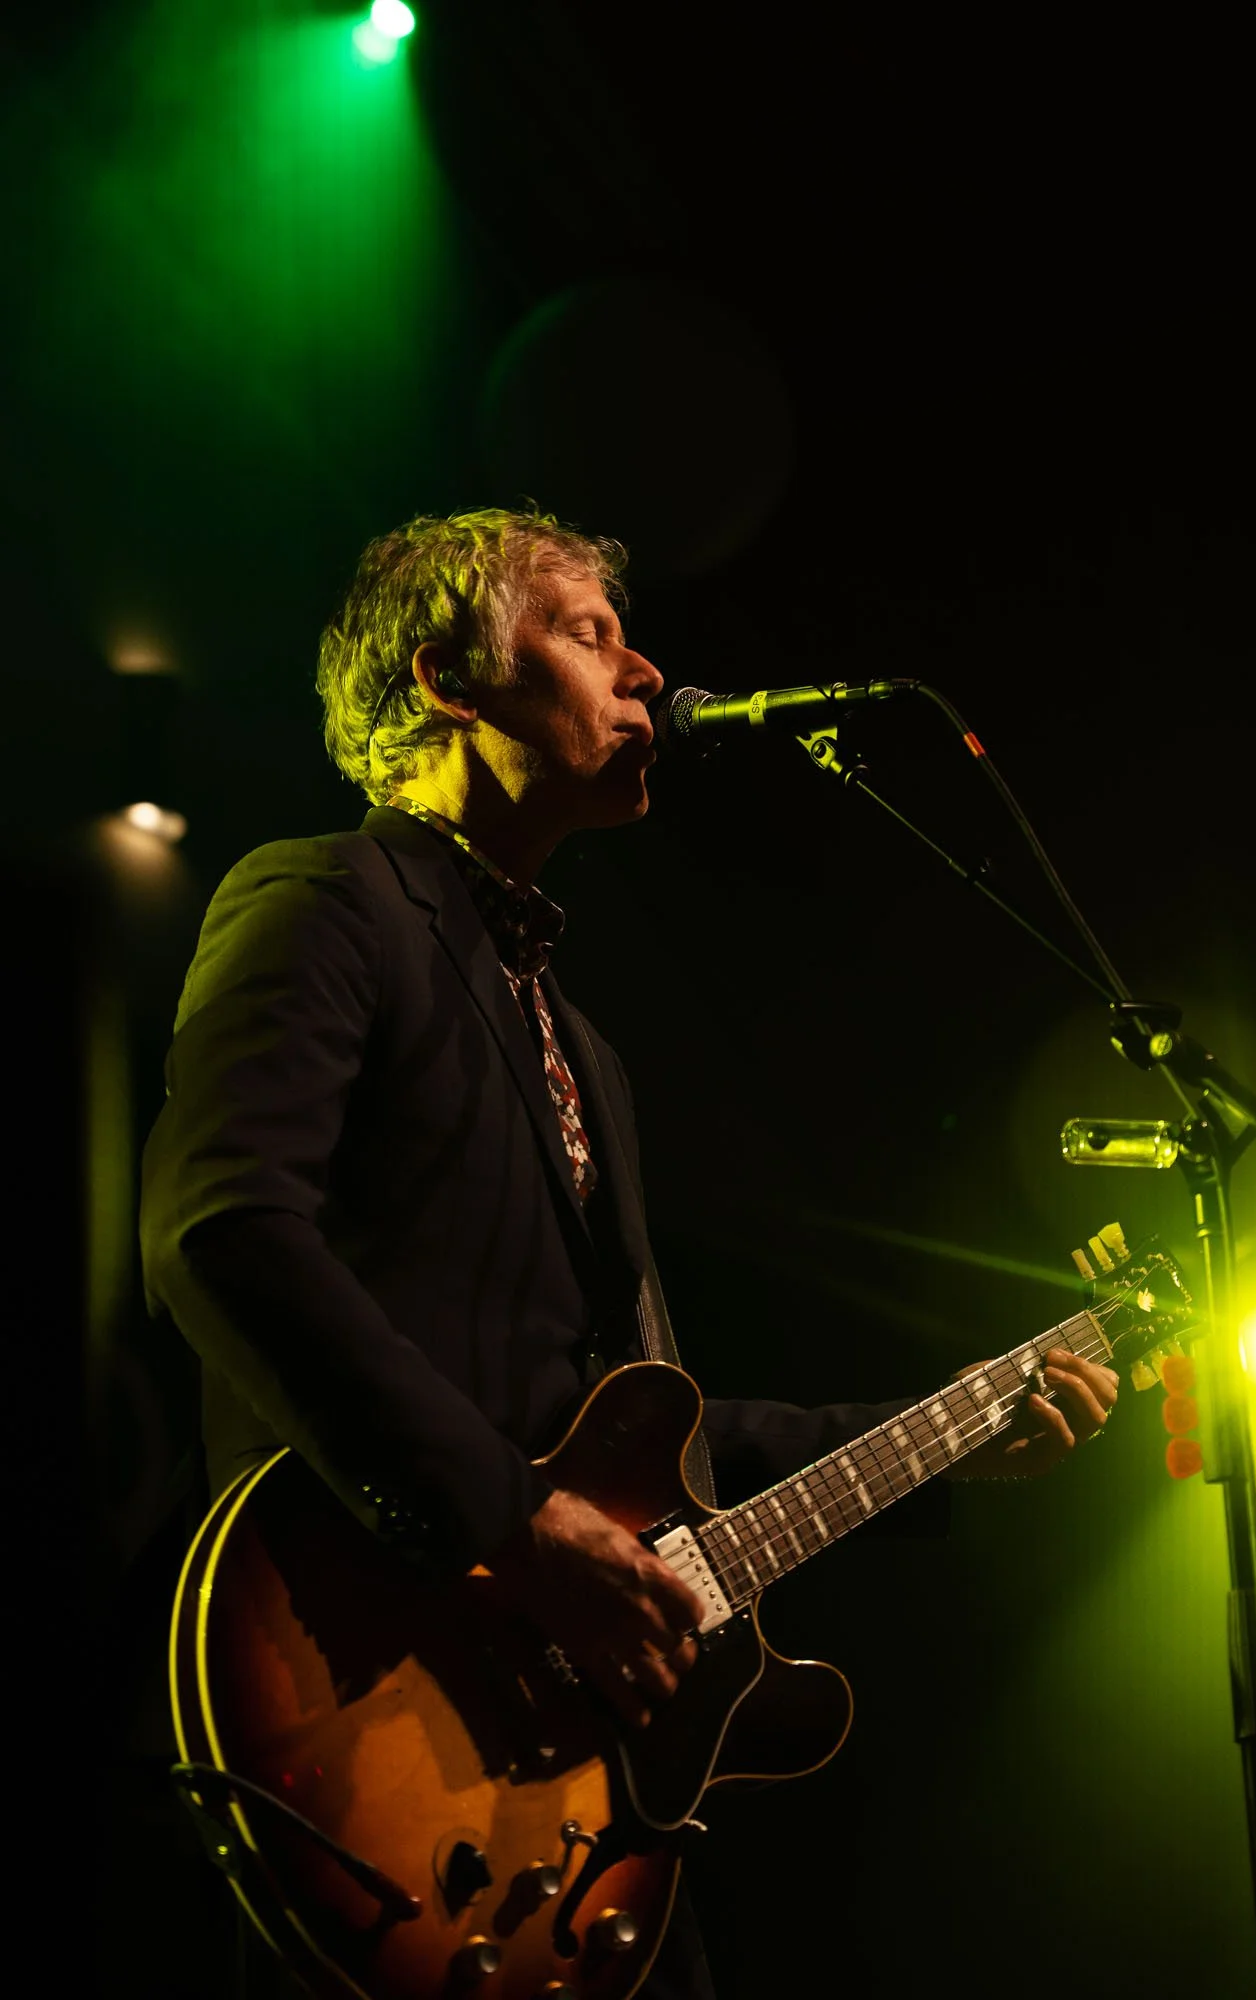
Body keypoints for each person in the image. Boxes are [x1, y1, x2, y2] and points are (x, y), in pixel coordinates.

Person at [139, 506, 1117, 1998]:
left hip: (578, 1806)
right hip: (378, 1712)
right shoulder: (323, 900)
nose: (649, 668)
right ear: (448, 681)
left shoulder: (585, 1045)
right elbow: (222, 1231)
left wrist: (961, 1433)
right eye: (589, 632)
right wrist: (511, 1526)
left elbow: (641, 1429)